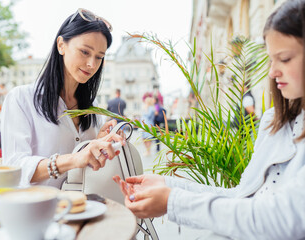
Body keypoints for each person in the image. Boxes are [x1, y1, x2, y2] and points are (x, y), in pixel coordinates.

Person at [113, 1, 305, 239]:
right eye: (270, 59)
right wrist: (167, 185)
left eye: (284, 59)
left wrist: (172, 201)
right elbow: (241, 195)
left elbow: (281, 220)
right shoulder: (273, 119)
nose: (272, 71)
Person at [1, 8, 124, 188]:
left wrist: (97, 144)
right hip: (39, 212)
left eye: (99, 57)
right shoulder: (21, 99)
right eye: (84, 52)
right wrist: (74, 158)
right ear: (61, 45)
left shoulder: (92, 107)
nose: (92, 64)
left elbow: (86, 168)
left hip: (84, 210)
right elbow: (15, 167)